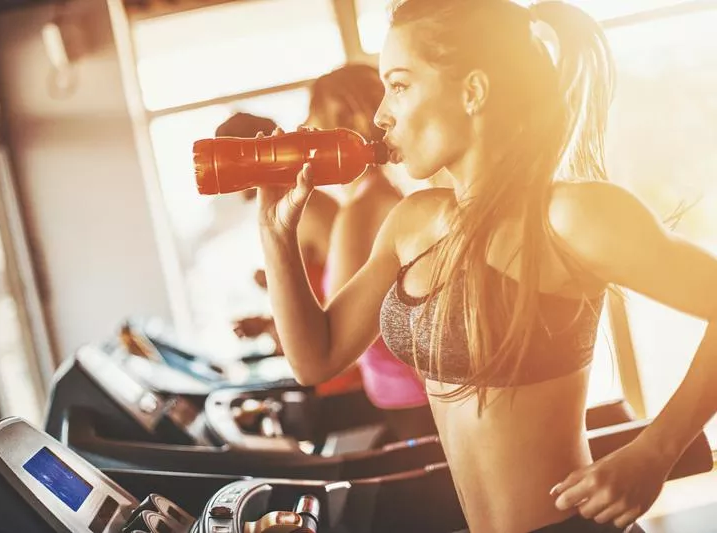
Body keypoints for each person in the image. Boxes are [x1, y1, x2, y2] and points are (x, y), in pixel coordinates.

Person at [254, 1, 717, 532]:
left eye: (399, 86)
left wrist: (655, 452)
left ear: (473, 91)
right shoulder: (412, 222)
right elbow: (316, 359)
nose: (382, 114)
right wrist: (275, 234)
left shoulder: (569, 215)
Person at [306, 64, 435, 439]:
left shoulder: (362, 209)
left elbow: (331, 337)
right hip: (404, 400)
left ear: (337, 125)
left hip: (412, 405)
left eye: (313, 123)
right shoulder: (378, 196)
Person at [221, 113, 362, 395]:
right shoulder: (290, 210)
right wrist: (266, 323)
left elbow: (340, 306)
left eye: (230, 162)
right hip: (330, 364)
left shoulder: (306, 212)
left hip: (347, 371)